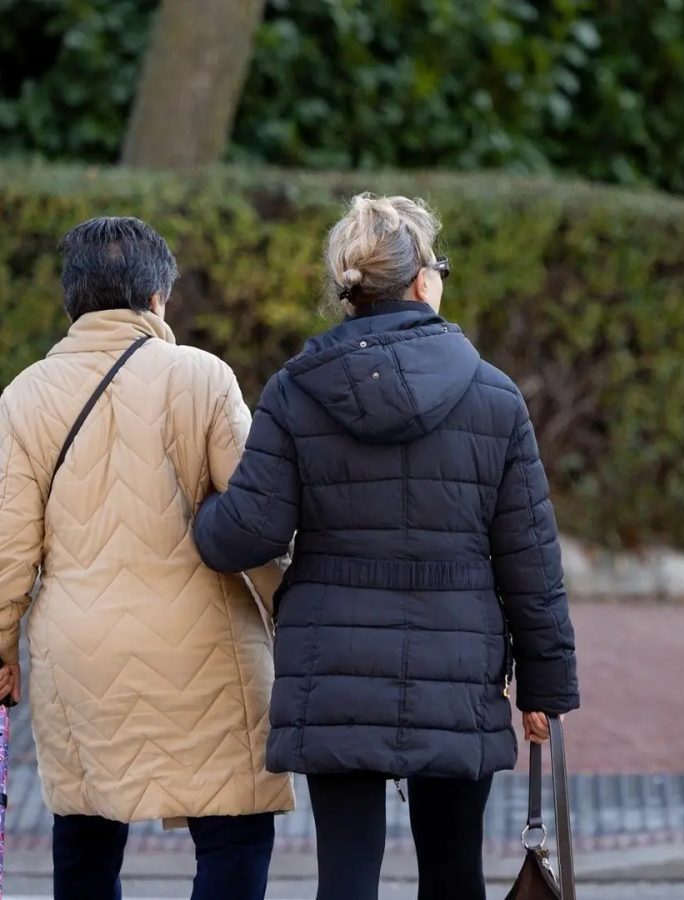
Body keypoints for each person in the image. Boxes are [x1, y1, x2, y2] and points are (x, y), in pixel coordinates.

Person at [194, 192, 580, 900]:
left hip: (332, 663)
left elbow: (248, 531)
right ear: (425, 281)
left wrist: (197, 512)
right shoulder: (493, 397)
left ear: (350, 291)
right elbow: (530, 559)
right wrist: (545, 688)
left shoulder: (295, 391)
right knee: (454, 872)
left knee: (345, 876)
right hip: (457, 661)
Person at [0, 217, 293, 900]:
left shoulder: (23, 397)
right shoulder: (202, 378)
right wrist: (292, 610)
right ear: (159, 295)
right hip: (207, 643)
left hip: (80, 649)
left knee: (86, 831)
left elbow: (9, 549)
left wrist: (4, 648)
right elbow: (255, 521)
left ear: (71, 301)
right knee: (234, 829)